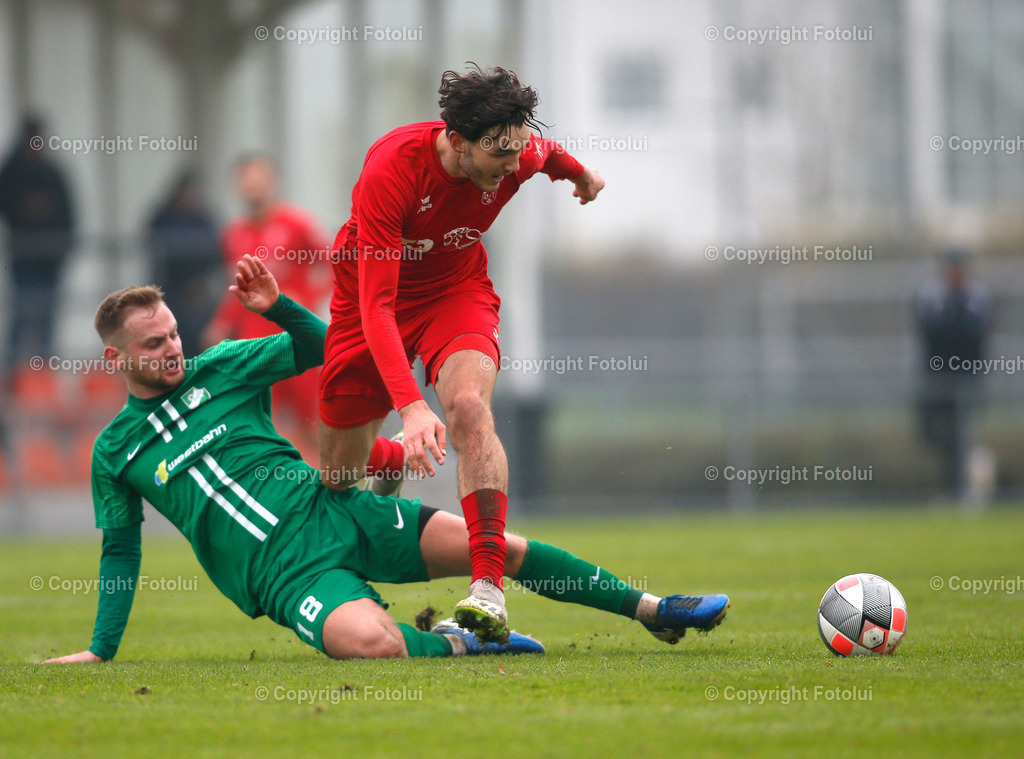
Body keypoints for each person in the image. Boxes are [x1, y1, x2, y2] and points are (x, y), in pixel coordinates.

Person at [43, 255, 728, 663]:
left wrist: (277, 306)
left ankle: (654, 608)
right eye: (152, 344)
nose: (169, 349)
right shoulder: (115, 449)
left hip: (337, 507)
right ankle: (467, 644)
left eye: (170, 334)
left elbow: (329, 351)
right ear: (116, 358)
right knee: (376, 646)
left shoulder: (221, 365)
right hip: (281, 574)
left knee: (503, 546)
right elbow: (121, 552)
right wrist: (102, 648)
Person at [319, 64, 606, 642]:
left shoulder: (514, 150)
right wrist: (411, 407)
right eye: (500, 155)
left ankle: (487, 589)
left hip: (456, 291)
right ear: (457, 142)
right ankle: (391, 457)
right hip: (370, 303)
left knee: (470, 407)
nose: (512, 166)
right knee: (338, 476)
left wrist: (583, 178)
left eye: (517, 151)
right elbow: (378, 306)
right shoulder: (391, 170)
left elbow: (548, 156)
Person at [204, 155, 331, 457]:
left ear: (272, 181)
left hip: (296, 339)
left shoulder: (298, 224)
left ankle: (338, 486)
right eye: (246, 181)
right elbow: (235, 287)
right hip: (255, 344)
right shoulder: (233, 234)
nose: (252, 187)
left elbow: (334, 266)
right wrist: (221, 323)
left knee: (313, 422)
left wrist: (307, 297)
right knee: (257, 425)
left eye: (258, 179)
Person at [914, 248, 994, 502]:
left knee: (961, 433)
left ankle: (959, 490)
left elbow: (976, 335)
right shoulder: (932, 295)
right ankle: (966, 473)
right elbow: (929, 331)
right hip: (937, 376)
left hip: (967, 376)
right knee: (931, 431)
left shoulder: (977, 296)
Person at [0, 115, 75, 371]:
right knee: (24, 315)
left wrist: (63, 247)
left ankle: (42, 377)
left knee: (45, 320)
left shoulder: (51, 173)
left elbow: (69, 214)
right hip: (25, 257)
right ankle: (14, 377)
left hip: (49, 259)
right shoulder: (13, 173)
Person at [146, 171, 221, 358]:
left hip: (198, 290)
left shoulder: (203, 218)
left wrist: (198, 282)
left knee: (198, 339)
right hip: (171, 288)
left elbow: (215, 250)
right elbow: (154, 246)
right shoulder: (163, 217)